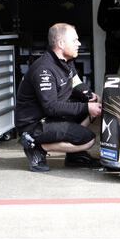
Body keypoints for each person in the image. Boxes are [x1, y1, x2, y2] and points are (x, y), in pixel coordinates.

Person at [15, 23, 102, 172]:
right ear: (61, 44)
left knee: (92, 102)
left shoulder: (66, 62)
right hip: (33, 124)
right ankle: (36, 147)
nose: (79, 44)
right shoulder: (44, 69)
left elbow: (75, 82)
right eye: (75, 40)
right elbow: (51, 107)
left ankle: (74, 156)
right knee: (89, 139)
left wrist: (89, 96)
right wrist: (87, 107)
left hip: (50, 116)